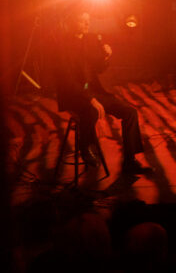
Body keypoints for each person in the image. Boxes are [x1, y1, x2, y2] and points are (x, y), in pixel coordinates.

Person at [56, 10, 152, 174]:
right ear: (72, 23)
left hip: (95, 91)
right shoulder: (62, 45)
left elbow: (98, 69)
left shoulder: (90, 39)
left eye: (88, 20)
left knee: (130, 113)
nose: (87, 24)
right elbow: (68, 81)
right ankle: (86, 147)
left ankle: (130, 161)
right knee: (91, 111)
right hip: (75, 95)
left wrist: (106, 56)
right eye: (82, 20)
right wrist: (91, 99)